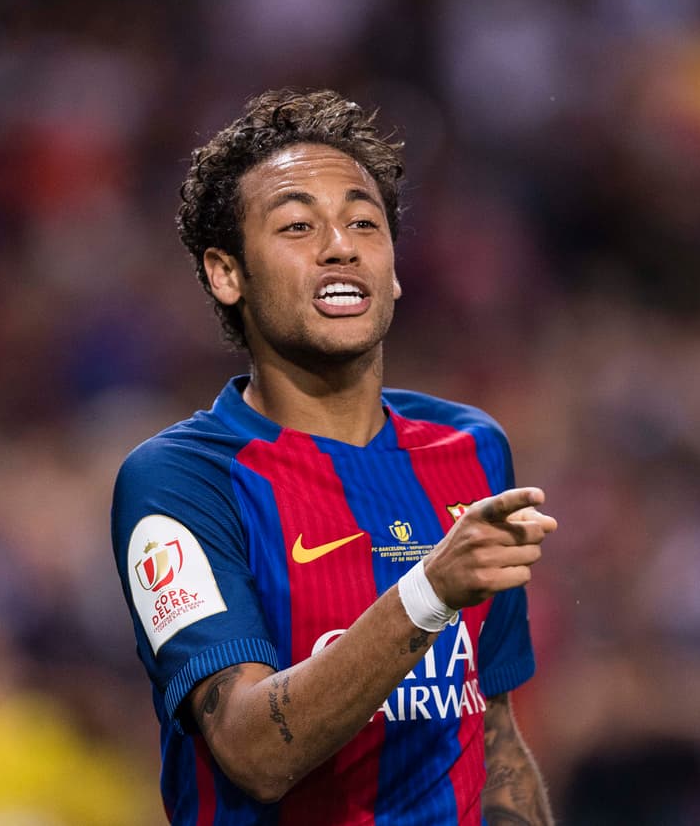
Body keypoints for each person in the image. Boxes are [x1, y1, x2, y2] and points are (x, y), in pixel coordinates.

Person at [111, 88, 557, 825]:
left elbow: (494, 733)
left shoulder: (473, 450)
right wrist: (429, 590)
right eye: (297, 225)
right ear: (227, 273)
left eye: (363, 222)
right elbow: (253, 752)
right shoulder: (180, 480)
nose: (340, 244)